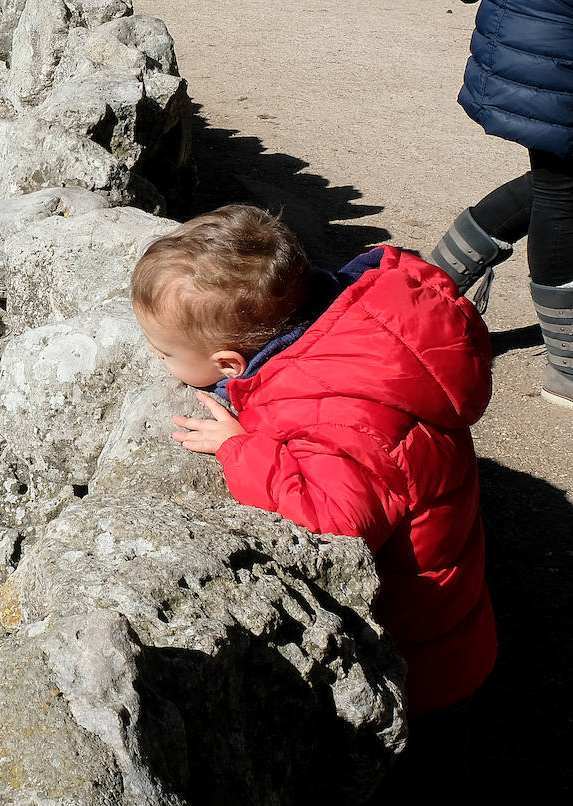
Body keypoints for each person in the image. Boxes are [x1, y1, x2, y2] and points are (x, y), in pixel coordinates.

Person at [131, 205, 498, 716]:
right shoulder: (354, 319)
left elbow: (337, 521)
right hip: (453, 609)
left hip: (419, 654)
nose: (157, 360)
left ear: (229, 363)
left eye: (164, 353)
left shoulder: (333, 416)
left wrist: (242, 447)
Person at [427, 0, 573, 409]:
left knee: (556, 181)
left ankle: (425, 291)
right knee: (561, 184)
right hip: (554, 37)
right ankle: (568, 369)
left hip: (538, 31)